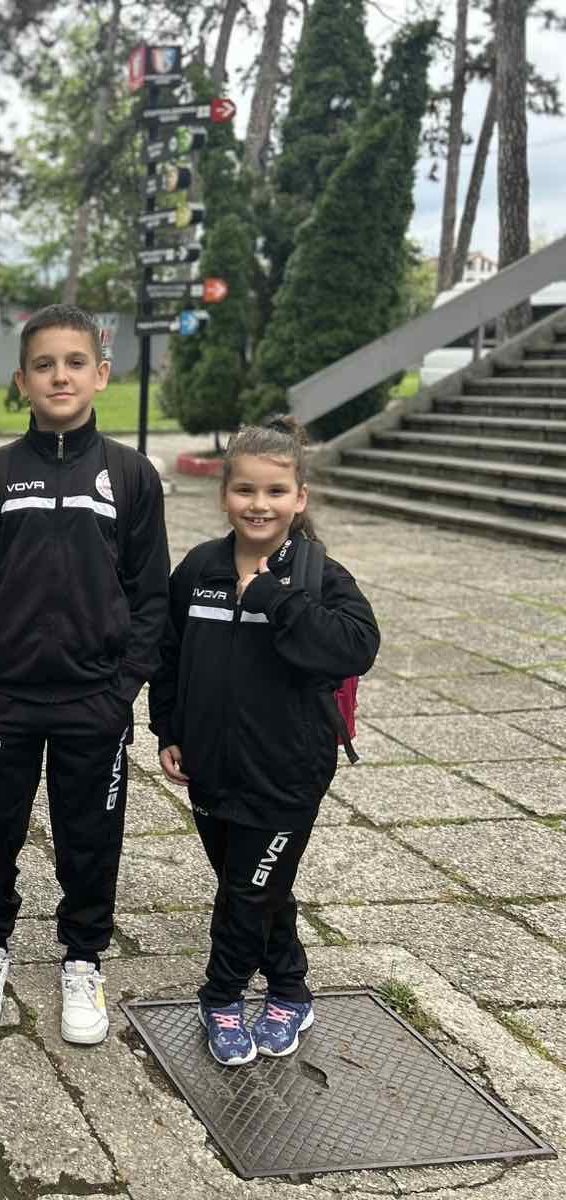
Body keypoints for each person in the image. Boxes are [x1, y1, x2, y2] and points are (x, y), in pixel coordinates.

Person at [0, 304, 170, 1042]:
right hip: (3, 700)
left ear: (102, 374)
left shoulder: (131, 475)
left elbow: (150, 597)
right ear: (22, 381)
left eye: (75, 363)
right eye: (44, 365)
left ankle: (82, 957)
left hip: (93, 702)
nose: (60, 377)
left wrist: (122, 689)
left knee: (90, 837)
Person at [150, 416, 378, 1065]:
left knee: (247, 890)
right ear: (225, 494)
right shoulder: (199, 568)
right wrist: (169, 729)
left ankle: (221, 997)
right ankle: (291, 988)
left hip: (287, 773)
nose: (259, 504)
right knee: (253, 884)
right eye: (245, 490)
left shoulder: (318, 576)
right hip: (210, 766)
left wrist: (277, 600)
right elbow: (168, 654)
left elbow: (358, 646)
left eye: (276, 491)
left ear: (299, 498)